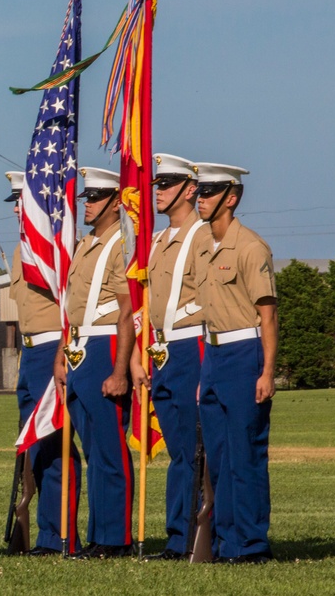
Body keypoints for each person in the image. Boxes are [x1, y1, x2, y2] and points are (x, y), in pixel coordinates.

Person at [192, 163, 277, 564]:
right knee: (219, 457)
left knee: (245, 454)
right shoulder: (203, 246)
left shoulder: (250, 247)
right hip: (214, 355)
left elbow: (268, 315)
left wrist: (267, 372)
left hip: (246, 353)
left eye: (208, 192)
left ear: (231, 196)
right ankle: (225, 542)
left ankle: (251, 544)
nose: (199, 198)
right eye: (198, 191)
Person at [129, 154, 208, 560]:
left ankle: (198, 534)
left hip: (191, 346)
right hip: (160, 350)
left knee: (196, 448)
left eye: (167, 185)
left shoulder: (202, 237)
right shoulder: (159, 240)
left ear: (190, 189)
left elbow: (214, 298)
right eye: (157, 185)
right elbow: (146, 304)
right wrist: (138, 354)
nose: (157, 192)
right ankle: (178, 536)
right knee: (179, 450)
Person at [55, 167, 135, 559]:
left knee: (110, 448)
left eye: (96, 197)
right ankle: (99, 532)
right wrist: (61, 356)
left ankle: (116, 536)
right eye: (87, 197)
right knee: (92, 450)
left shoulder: (122, 244)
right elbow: (71, 308)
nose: (87, 204)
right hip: (80, 347)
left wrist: (120, 370)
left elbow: (126, 311)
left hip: (106, 345)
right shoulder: (87, 244)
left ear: (116, 201)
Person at [4, 170, 81, 555]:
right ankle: (47, 533)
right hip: (29, 351)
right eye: (17, 203)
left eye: (24, 202)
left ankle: (60, 536)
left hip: (53, 348)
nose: (19, 209)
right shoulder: (22, 250)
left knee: (56, 443)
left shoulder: (57, 246)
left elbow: (71, 307)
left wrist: (61, 353)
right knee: (37, 448)